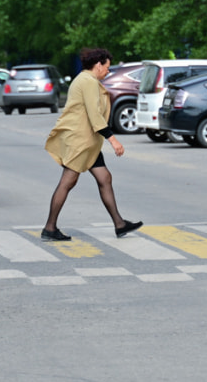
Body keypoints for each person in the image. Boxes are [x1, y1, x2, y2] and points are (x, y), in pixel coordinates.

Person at [41, 47, 142, 241]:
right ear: (98, 64)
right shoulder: (87, 81)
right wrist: (113, 139)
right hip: (80, 141)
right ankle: (50, 227)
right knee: (68, 181)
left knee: (104, 178)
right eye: (107, 67)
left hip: (88, 142)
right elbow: (94, 114)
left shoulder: (87, 80)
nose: (108, 71)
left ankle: (119, 224)